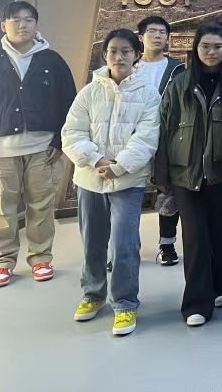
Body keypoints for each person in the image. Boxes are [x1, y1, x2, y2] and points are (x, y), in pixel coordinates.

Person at [61, 29, 160, 336]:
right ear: (105, 54)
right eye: (113, 51)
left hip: (128, 182)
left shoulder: (149, 93)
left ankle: (125, 303)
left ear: (136, 55)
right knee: (92, 241)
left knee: (123, 245)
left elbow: (147, 137)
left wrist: (119, 167)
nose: (119, 57)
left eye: (126, 51)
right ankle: (93, 294)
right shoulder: (89, 91)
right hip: (89, 179)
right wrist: (96, 160)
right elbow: (72, 132)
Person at [154, 22, 222, 327]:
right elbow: (163, 127)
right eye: (205, 46)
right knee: (195, 237)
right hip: (185, 173)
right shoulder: (179, 83)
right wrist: (162, 175)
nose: (211, 52)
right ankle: (197, 302)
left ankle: (220, 285)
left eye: (218, 46)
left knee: (219, 234)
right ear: (195, 49)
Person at [0, 0, 77, 289]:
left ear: (36, 24)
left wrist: (60, 140)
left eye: (28, 19)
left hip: (42, 148)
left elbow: (69, 102)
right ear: (4, 26)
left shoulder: (52, 61)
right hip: (1, 151)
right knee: (2, 207)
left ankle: (41, 258)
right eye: (16, 20)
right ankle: (2, 261)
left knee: (41, 206)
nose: (22, 25)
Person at [136, 15, 184, 267]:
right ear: (141, 36)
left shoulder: (177, 69)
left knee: (168, 193)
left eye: (162, 32)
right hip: (133, 139)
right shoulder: (130, 66)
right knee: (129, 194)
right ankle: (126, 247)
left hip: (167, 137)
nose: (157, 36)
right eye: (152, 31)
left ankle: (167, 245)